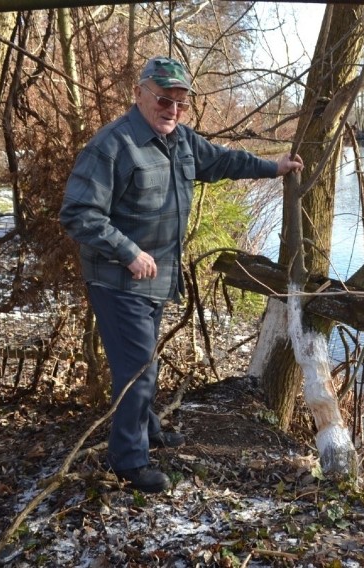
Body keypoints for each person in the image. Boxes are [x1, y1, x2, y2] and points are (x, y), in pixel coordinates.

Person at [60, 56, 304, 493]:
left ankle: (146, 428)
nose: (172, 108)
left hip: (156, 280)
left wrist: (274, 167)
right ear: (139, 95)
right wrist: (128, 250)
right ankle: (128, 461)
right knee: (137, 370)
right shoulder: (113, 145)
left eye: (180, 102)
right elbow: (78, 213)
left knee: (144, 363)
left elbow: (225, 161)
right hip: (117, 280)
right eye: (163, 99)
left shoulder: (183, 142)